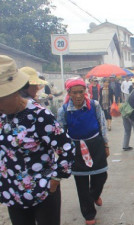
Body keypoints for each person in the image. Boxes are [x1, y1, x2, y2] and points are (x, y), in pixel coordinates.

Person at [0, 55, 75, 225]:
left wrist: (55, 179)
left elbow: (67, 147)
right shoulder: (2, 116)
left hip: (43, 192)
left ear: (13, 92)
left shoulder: (39, 116)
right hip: (12, 192)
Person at [57, 77, 109, 225]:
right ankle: (89, 214)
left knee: (101, 176)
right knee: (81, 183)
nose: (78, 96)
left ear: (85, 91)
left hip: (96, 145)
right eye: (74, 93)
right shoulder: (64, 110)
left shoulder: (94, 105)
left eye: (81, 92)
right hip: (76, 148)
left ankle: (94, 195)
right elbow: (60, 132)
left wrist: (106, 145)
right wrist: (63, 153)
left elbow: (102, 124)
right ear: (69, 93)